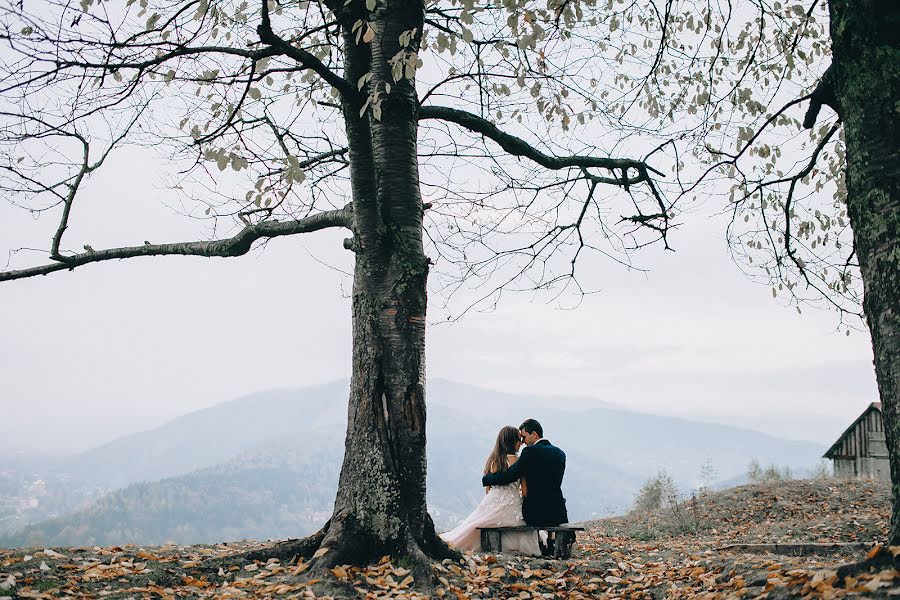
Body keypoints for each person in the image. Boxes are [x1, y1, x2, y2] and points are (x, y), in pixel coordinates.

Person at [440, 426, 541, 555]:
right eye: (519, 440)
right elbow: (525, 489)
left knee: (476, 523)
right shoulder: (519, 461)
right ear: (513, 441)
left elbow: (488, 490)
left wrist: (492, 502)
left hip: (493, 500)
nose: (521, 443)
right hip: (514, 503)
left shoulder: (494, 460)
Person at [481, 419, 568, 528]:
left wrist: (487, 479)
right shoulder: (560, 453)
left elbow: (510, 475)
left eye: (524, 437)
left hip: (535, 512)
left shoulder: (529, 452)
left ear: (534, 434)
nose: (523, 442)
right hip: (557, 512)